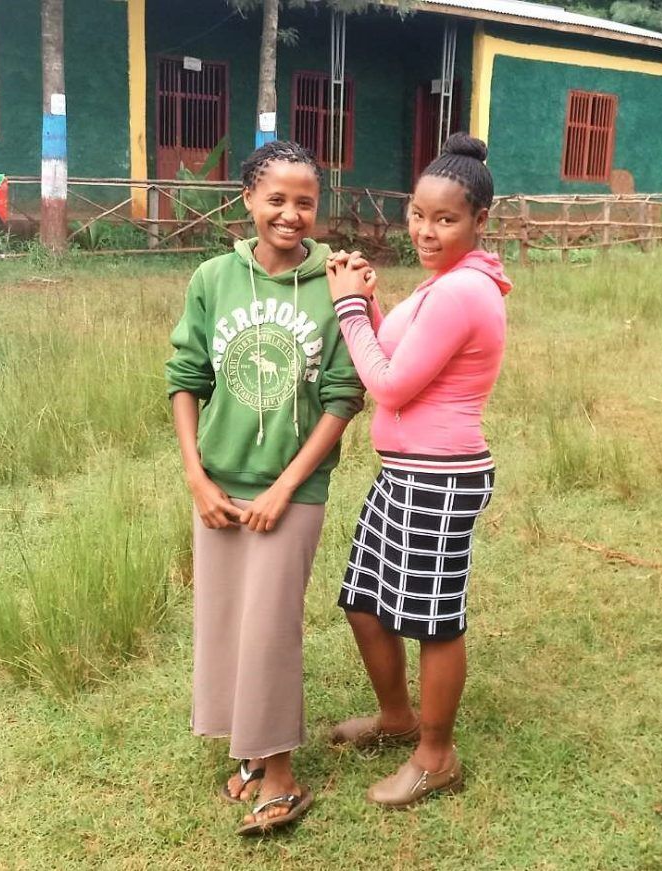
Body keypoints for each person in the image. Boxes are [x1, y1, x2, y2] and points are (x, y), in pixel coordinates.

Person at [166, 140, 363, 836]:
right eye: (275, 198)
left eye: (305, 201)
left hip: (294, 488)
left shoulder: (337, 280)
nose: (290, 213)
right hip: (219, 481)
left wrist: (285, 486)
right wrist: (196, 473)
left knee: (270, 625)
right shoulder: (213, 278)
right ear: (247, 199)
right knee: (224, 619)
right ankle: (249, 752)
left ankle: (281, 772)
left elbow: (344, 395)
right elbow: (186, 378)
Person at [325, 132, 511, 808]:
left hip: (439, 477)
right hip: (405, 473)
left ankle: (436, 755)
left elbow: (392, 384)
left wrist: (348, 308)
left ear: (480, 221)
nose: (426, 231)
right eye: (417, 214)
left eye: (445, 219)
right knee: (366, 604)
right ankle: (396, 718)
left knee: (434, 620)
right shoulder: (443, 286)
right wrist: (370, 301)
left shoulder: (464, 293)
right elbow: (392, 346)